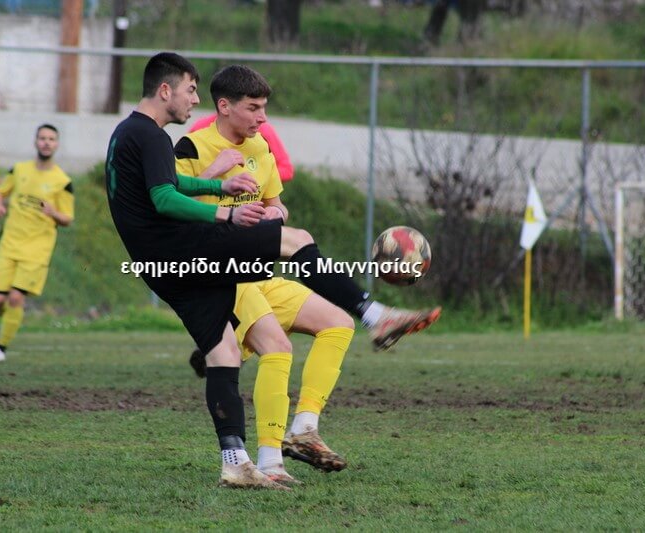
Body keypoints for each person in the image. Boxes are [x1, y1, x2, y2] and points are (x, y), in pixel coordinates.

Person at [106, 52, 440, 490]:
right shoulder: (152, 135)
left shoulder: (131, 132)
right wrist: (225, 213)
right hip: (184, 248)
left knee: (223, 354)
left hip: (164, 266)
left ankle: (236, 463)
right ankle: (375, 315)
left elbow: (173, 183)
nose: (194, 99)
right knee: (295, 240)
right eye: (190, 89)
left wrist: (218, 186)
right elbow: (165, 199)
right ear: (165, 90)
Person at [175, 65, 353, 485]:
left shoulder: (261, 147)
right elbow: (170, 208)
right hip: (222, 274)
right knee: (278, 346)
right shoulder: (190, 145)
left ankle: (303, 428)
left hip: (260, 273)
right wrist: (215, 173)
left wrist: (276, 214)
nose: (262, 117)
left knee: (339, 323)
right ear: (224, 106)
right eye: (254, 108)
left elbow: (276, 204)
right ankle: (271, 462)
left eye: (264, 107)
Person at [0, 124, 74, 363]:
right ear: (36, 141)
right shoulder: (18, 170)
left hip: (37, 249)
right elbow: (0, 192)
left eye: (51, 139)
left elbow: (68, 218)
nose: (46, 142)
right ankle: (12, 319)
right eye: (42, 138)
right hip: (9, 244)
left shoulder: (63, 181)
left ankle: (0, 347)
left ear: (57, 145)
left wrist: (54, 213)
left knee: (16, 298)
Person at [188, 113, 294, 182]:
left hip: (251, 204)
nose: (262, 117)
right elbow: (184, 176)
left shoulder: (263, 130)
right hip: (207, 205)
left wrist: (251, 178)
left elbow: (287, 170)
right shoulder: (200, 127)